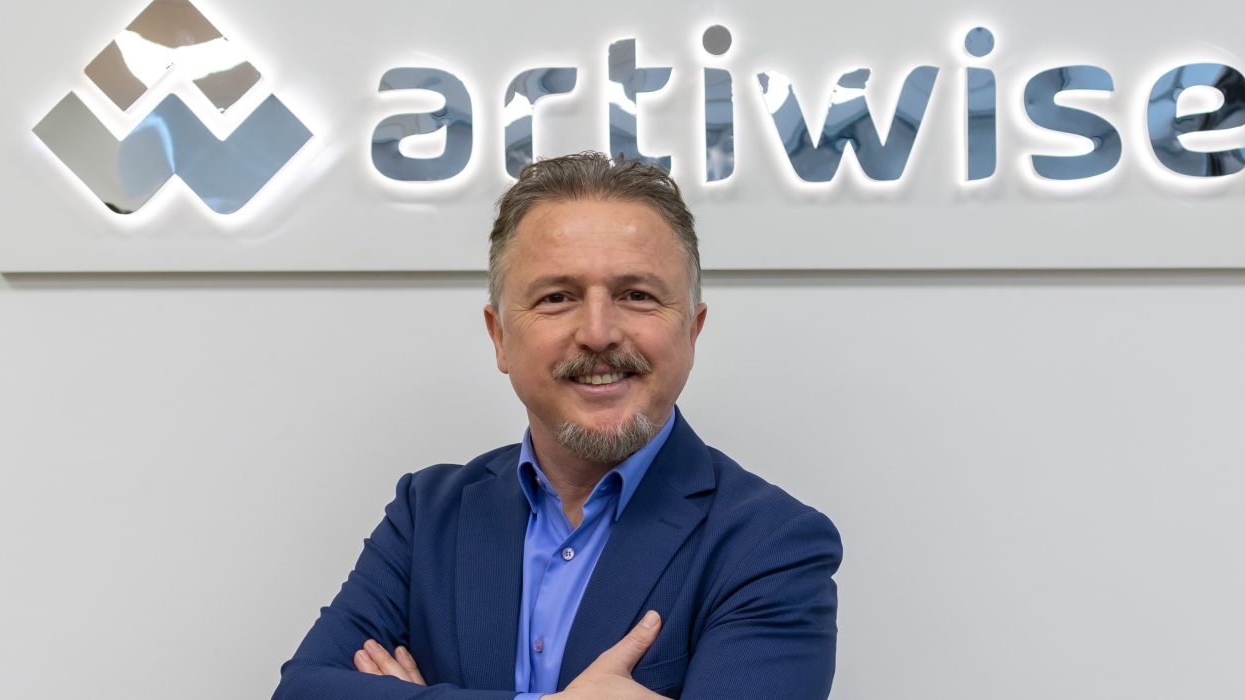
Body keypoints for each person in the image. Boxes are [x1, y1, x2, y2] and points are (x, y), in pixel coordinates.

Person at [272, 152, 842, 699]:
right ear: (499, 336)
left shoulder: (772, 544)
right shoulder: (427, 516)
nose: (598, 333)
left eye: (637, 295)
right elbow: (303, 691)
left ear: (692, 331)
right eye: (557, 297)